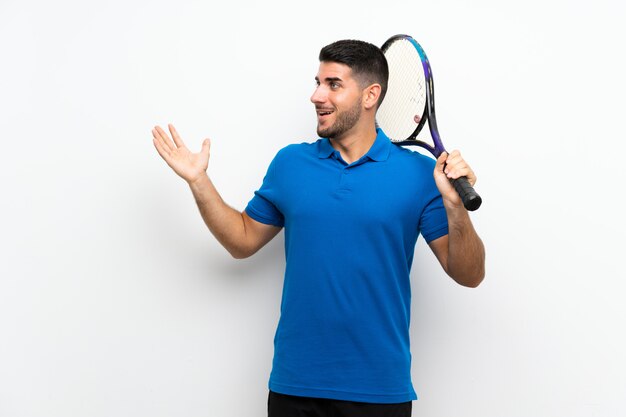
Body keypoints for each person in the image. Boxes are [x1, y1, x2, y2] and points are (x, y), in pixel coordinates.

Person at [152, 39, 485, 417]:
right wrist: (199, 181)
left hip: (379, 391)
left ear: (370, 95)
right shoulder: (290, 164)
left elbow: (469, 275)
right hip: (295, 386)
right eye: (317, 82)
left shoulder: (416, 174)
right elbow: (241, 240)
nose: (315, 95)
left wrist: (456, 209)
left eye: (333, 84)